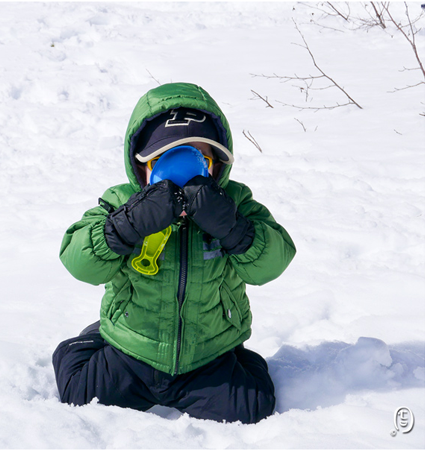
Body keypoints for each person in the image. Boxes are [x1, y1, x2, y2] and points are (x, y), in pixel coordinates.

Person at [52, 82, 296, 424]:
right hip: (133, 348)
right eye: (169, 159)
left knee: (252, 408)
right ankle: (92, 340)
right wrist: (125, 225)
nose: (186, 177)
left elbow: (271, 264)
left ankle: (237, 355)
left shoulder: (234, 204)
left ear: (216, 167)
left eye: (201, 160)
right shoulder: (121, 204)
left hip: (207, 352)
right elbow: (79, 262)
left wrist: (234, 227)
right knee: (79, 396)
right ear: (143, 166)